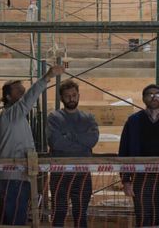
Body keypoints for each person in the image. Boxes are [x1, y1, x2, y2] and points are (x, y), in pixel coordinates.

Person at [0, 63, 65, 226]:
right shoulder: (10, 115)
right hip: (13, 177)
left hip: (20, 176)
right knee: (16, 220)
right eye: (18, 91)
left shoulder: (17, 117)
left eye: (23, 90)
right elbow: (28, 100)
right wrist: (46, 77)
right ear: (8, 96)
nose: (23, 93)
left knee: (20, 217)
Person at [118, 84, 159, 227]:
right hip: (141, 179)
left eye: (158, 94)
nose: (154, 97)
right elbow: (124, 152)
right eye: (150, 94)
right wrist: (125, 180)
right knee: (143, 217)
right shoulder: (133, 121)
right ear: (143, 98)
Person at [47, 80, 99, 227]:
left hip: (82, 173)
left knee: (81, 213)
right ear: (61, 98)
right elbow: (56, 143)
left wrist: (70, 136)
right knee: (59, 212)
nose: (71, 98)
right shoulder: (54, 118)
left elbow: (92, 140)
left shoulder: (88, 118)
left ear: (78, 96)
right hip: (60, 173)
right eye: (67, 95)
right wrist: (80, 140)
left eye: (74, 95)